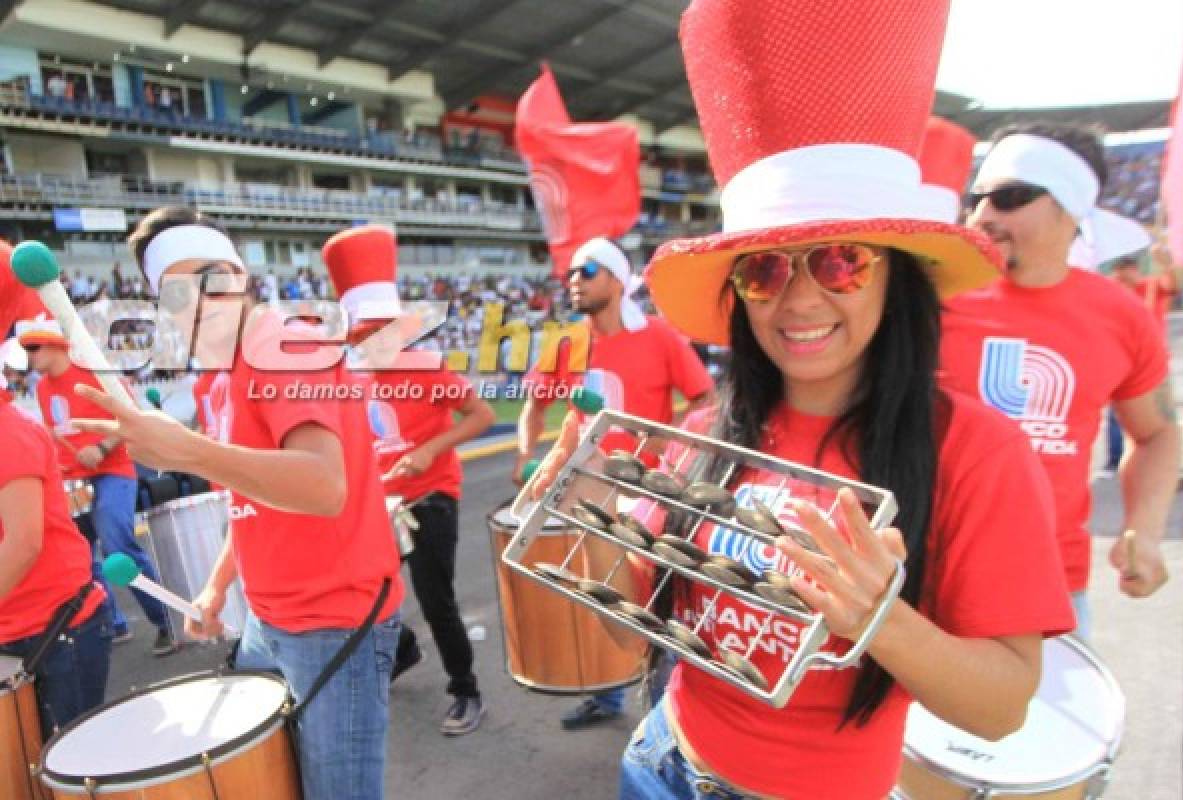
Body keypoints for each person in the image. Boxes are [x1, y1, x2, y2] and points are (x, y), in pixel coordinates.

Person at [529, 1, 1075, 797]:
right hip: (660, 767)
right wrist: (592, 516)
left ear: (895, 273)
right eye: (766, 270)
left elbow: (1002, 710)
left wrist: (879, 617)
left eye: (842, 262)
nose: (800, 300)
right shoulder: (701, 429)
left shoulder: (974, 451)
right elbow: (628, 628)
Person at [74, 207, 404, 800]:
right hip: (267, 618)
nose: (199, 298)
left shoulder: (287, 341)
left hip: (334, 619)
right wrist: (217, 586)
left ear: (241, 276)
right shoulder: (223, 377)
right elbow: (249, 500)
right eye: (176, 289)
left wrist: (191, 452)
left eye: (211, 276)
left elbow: (322, 486)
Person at [940, 122, 1181, 636]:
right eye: (978, 197)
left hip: (1048, 594)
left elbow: (1158, 432)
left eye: (1010, 198)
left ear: (1070, 207)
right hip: (918, 585)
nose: (983, 215)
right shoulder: (928, 299)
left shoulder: (1119, 314)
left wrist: (1146, 529)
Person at [516, 236, 716, 731]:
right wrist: (525, 456)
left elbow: (704, 399)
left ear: (616, 277)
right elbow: (534, 406)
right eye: (570, 274)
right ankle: (606, 696)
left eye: (586, 271)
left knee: (655, 606)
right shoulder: (564, 342)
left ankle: (663, 716)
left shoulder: (659, 336)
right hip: (589, 490)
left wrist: (673, 459)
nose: (573, 281)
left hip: (649, 493)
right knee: (598, 592)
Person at [323, 224, 495, 736]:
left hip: (431, 492)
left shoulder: (425, 366)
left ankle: (466, 690)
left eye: (376, 333)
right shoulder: (350, 380)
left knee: (434, 594)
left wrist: (428, 452)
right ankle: (403, 650)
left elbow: (480, 415)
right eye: (359, 336)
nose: (368, 344)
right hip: (380, 500)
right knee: (365, 589)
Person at [17, 315, 175, 655]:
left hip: (113, 470)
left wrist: (102, 447)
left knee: (118, 545)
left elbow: (130, 419)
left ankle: (167, 621)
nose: (28, 356)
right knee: (81, 558)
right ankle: (110, 623)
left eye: (33, 347)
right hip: (74, 481)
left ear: (55, 344)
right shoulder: (42, 389)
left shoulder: (94, 372)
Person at [0, 339, 112, 738]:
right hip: (17, 628)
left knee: (75, 770)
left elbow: (23, 542)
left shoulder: (7, 433)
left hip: (58, 627)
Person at [1104, 245, 1179, 471]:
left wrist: (1165, 263)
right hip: (1120, 359)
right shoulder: (1112, 290)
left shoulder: (1152, 286)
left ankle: (1159, 462)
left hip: (1153, 361)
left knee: (1158, 416)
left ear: (1136, 269)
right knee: (1116, 415)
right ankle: (1115, 459)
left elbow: (1172, 285)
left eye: (1128, 268)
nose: (1124, 273)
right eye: (1120, 268)